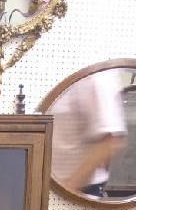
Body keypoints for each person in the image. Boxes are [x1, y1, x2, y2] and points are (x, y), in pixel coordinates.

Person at [49, 68, 127, 198]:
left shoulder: (97, 76)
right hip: (50, 189)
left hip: (78, 194)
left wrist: (66, 192)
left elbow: (109, 142)